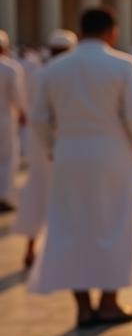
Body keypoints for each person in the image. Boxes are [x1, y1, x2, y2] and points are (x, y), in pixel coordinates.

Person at [28, 8, 132, 327]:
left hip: (69, 153)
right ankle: (109, 302)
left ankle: (84, 307)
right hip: (113, 153)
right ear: (111, 32)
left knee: (71, 226)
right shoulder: (124, 65)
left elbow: (39, 118)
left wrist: (52, 148)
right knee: (116, 224)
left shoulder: (54, 69)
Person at [13, 30, 75, 269]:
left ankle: (31, 248)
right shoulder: (69, 75)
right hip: (62, 142)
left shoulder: (39, 73)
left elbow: (31, 109)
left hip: (40, 142)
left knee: (38, 191)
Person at [0, 30, 25, 213]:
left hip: (6, 117)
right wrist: (23, 112)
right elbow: (16, 96)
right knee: (8, 159)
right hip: (5, 119)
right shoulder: (9, 68)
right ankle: (5, 197)